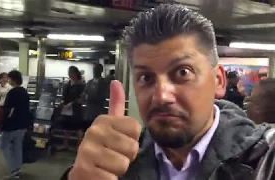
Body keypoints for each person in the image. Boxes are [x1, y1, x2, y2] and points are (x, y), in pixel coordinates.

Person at [62, 4, 275, 180]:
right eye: (146, 77)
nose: (161, 96)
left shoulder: (263, 160)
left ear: (218, 81)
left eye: (182, 72)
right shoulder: (117, 164)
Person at [0, 70, 31, 179]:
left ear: (13, 79)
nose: (8, 80)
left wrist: (2, 123)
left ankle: (13, 168)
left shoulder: (12, 93)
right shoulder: (24, 92)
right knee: (17, 146)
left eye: (9, 78)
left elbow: (7, 110)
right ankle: (17, 168)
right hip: (22, 124)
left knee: (3, 145)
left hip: (11, 124)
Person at [59, 66, 85, 148]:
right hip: (67, 108)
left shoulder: (81, 85)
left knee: (78, 128)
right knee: (67, 127)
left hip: (76, 108)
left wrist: (73, 103)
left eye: (70, 72)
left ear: (74, 73)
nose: (69, 74)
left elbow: (81, 98)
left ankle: (79, 146)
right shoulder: (68, 84)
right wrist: (63, 102)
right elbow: (64, 96)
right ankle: (65, 144)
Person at [84, 63, 109, 129]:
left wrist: (91, 97)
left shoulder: (104, 82)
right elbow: (85, 92)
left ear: (101, 71)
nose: (94, 71)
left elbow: (103, 95)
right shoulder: (89, 82)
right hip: (89, 109)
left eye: (96, 69)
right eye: (94, 69)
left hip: (98, 109)